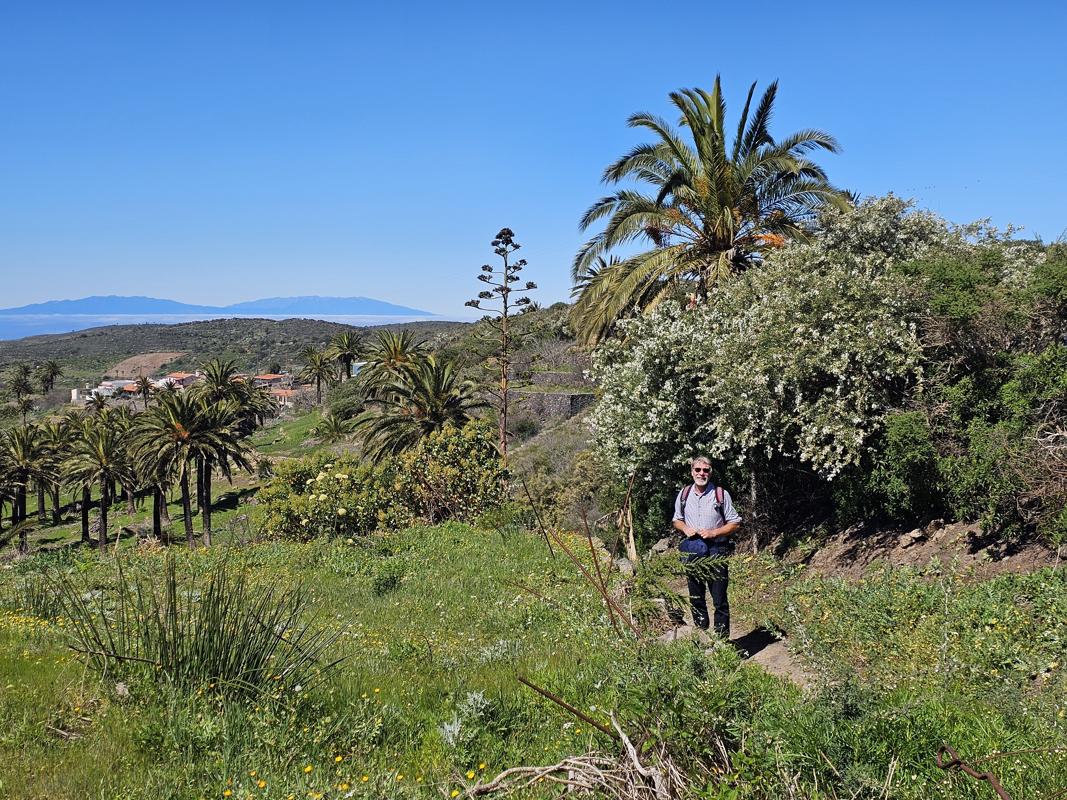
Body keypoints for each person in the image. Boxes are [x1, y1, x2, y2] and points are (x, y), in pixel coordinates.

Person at [672, 456, 742, 638]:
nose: (701, 473)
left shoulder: (720, 494)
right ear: (692, 471)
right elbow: (676, 519)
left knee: (719, 598)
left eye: (706, 470)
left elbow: (735, 523)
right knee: (696, 597)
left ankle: (721, 642)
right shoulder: (684, 494)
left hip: (716, 550)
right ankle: (702, 636)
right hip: (692, 549)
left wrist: (714, 533)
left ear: (711, 472)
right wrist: (685, 528)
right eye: (698, 470)